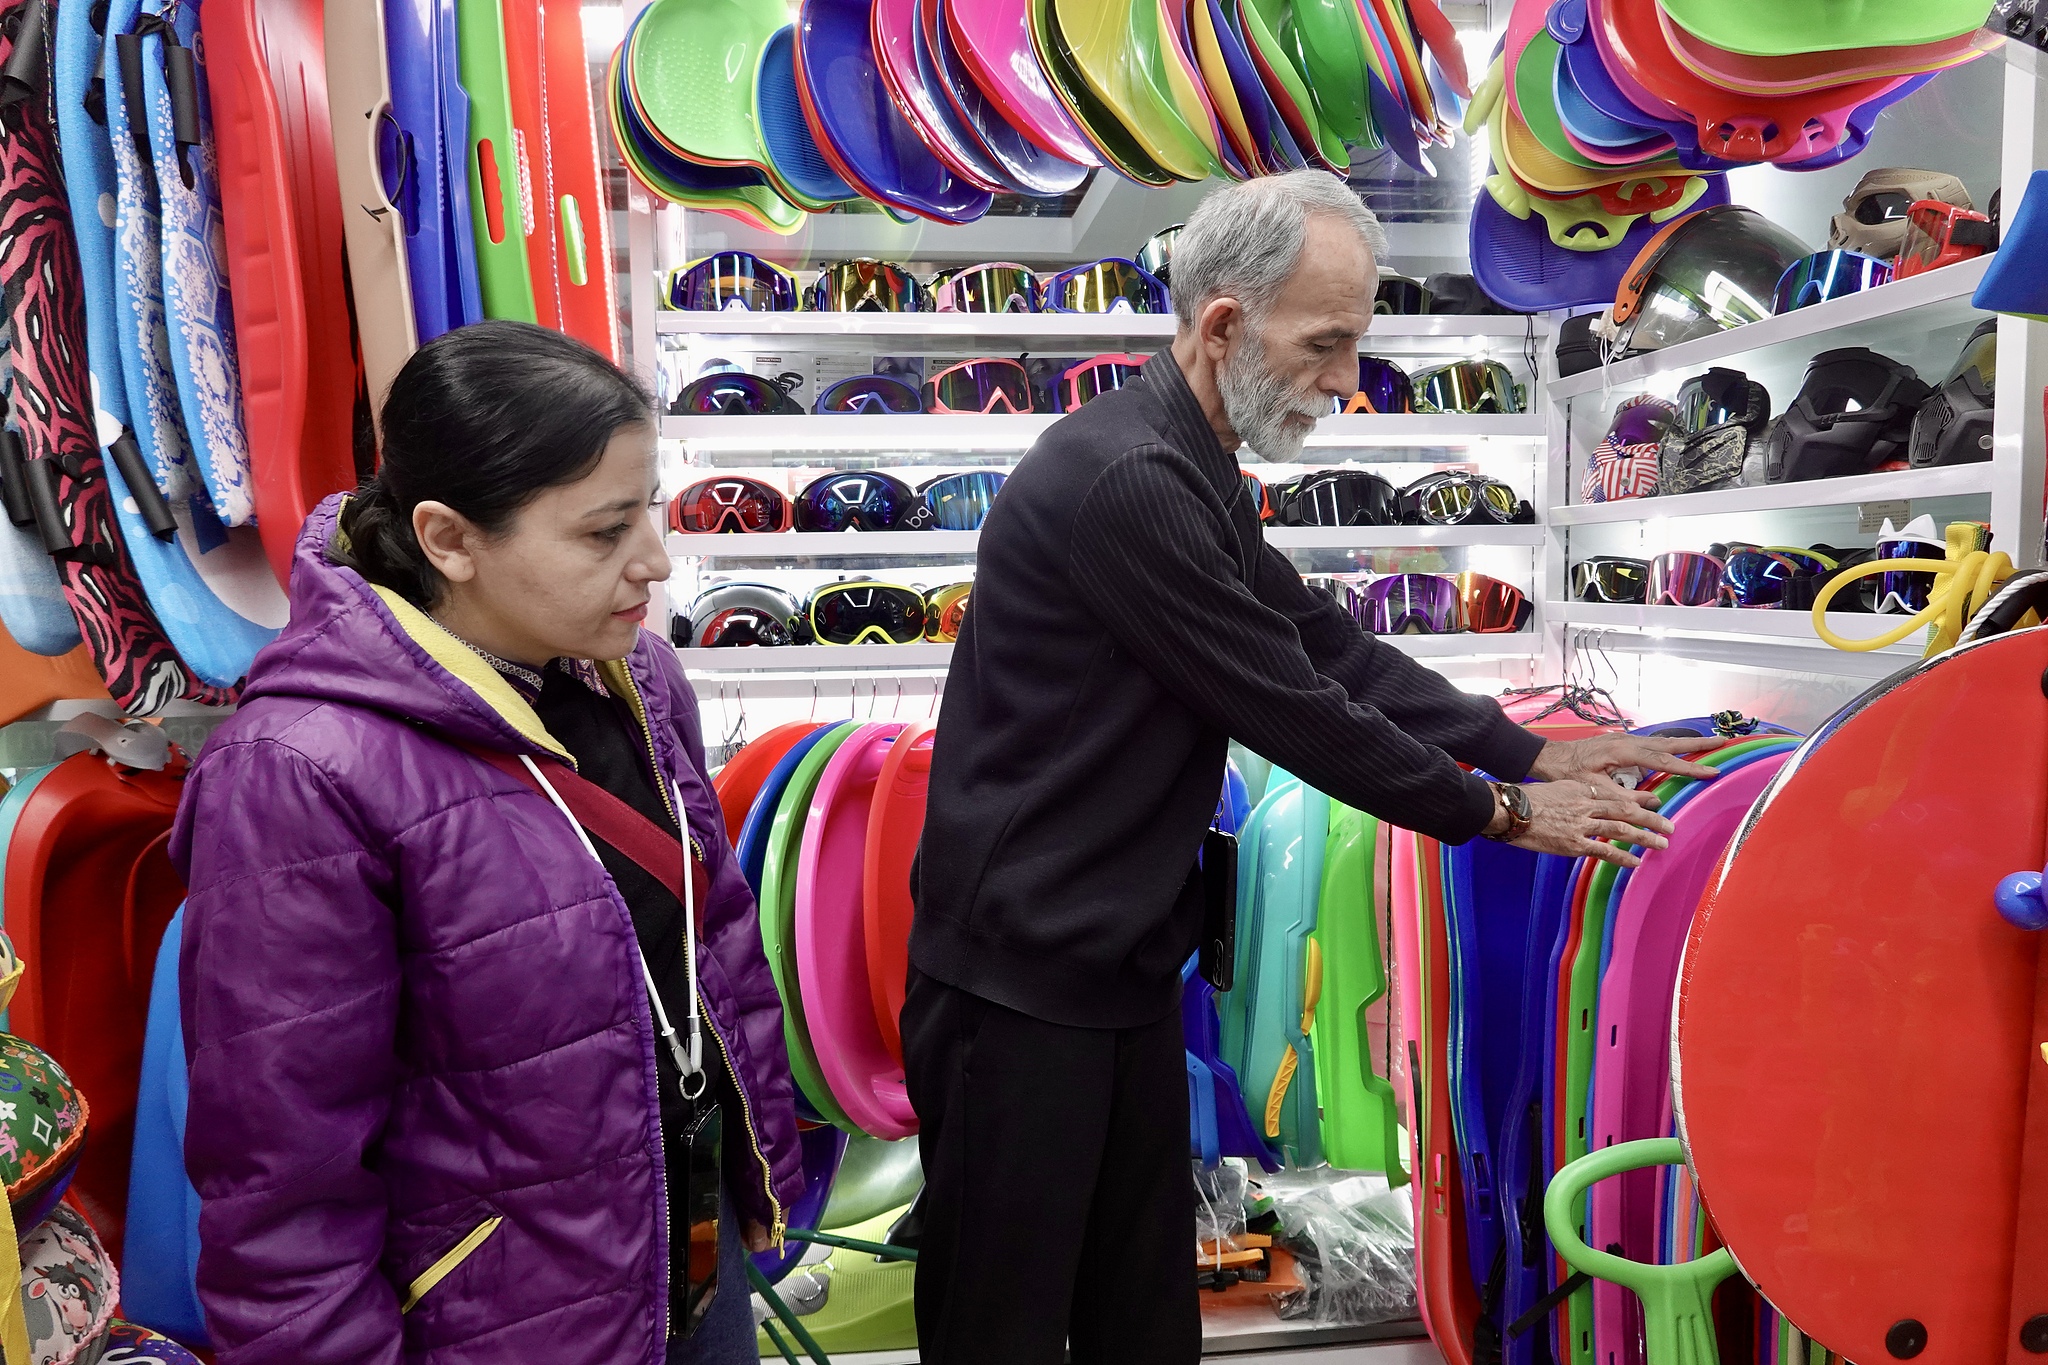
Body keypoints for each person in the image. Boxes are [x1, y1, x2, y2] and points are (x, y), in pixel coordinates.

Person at [904, 171, 1715, 1363]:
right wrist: (1493, 810)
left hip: (1106, 963)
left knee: (1138, 1305)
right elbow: (1284, 703)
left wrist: (1534, 744)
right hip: (1017, 985)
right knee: (1004, 1323)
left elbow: (1323, 642)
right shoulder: (1128, 479)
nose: (1343, 383)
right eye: (1325, 345)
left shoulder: (1187, 462)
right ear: (1223, 325)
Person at [169, 321, 803, 1365]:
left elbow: (714, 940)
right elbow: (281, 1177)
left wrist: (754, 1166)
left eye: (646, 507)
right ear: (449, 539)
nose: (654, 559)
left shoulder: (633, 678)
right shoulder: (300, 773)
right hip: (498, 1318)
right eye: (603, 532)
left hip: (680, 1246)